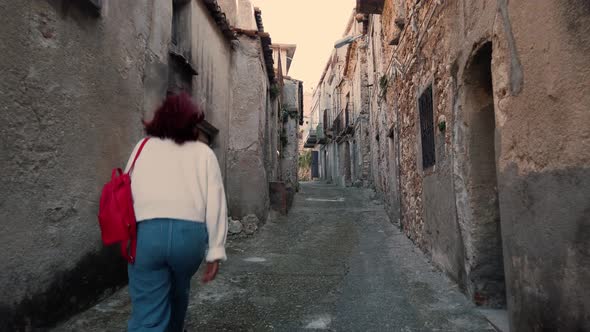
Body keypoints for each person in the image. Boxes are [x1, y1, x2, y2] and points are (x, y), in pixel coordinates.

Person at [123, 92, 228, 332]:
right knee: (178, 292)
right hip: (188, 237)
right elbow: (216, 205)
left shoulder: (143, 147)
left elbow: (126, 190)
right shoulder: (204, 154)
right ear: (193, 124)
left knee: (148, 312)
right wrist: (215, 251)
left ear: (159, 118)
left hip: (147, 235)